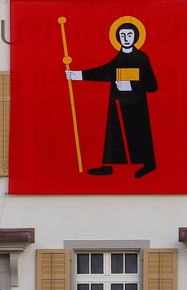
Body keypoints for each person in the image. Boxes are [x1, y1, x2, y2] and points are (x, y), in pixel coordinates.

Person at [66, 20, 158, 178]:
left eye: (129, 35)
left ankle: (148, 164)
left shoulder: (141, 58)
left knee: (139, 132)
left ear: (135, 37)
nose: (126, 38)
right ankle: (108, 166)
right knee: (113, 133)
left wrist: (131, 86)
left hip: (137, 105)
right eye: (122, 35)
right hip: (117, 103)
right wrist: (78, 75)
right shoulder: (119, 57)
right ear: (118, 38)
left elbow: (152, 85)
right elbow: (104, 72)